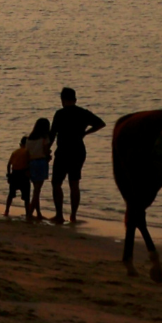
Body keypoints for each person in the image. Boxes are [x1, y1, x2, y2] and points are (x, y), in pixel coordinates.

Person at [48, 86, 106, 225]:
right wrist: (86, 133)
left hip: (63, 150)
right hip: (78, 150)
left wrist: (46, 151)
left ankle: (59, 215)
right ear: (75, 99)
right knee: (74, 183)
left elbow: (52, 135)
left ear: (62, 99)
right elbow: (100, 123)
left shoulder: (59, 114)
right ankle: (73, 216)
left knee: (56, 183)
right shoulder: (83, 113)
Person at [23, 118, 54, 221]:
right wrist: (49, 155)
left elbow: (27, 154)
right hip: (41, 163)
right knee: (37, 191)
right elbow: (45, 151)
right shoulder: (45, 138)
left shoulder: (29, 139)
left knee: (36, 190)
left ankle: (38, 213)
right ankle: (30, 214)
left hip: (31, 163)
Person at [3, 139, 32, 217]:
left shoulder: (15, 152)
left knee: (11, 195)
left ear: (20, 144)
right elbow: (29, 163)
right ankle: (27, 213)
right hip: (23, 174)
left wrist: (9, 175)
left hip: (14, 174)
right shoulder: (27, 152)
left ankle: (6, 211)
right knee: (26, 197)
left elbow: (9, 165)